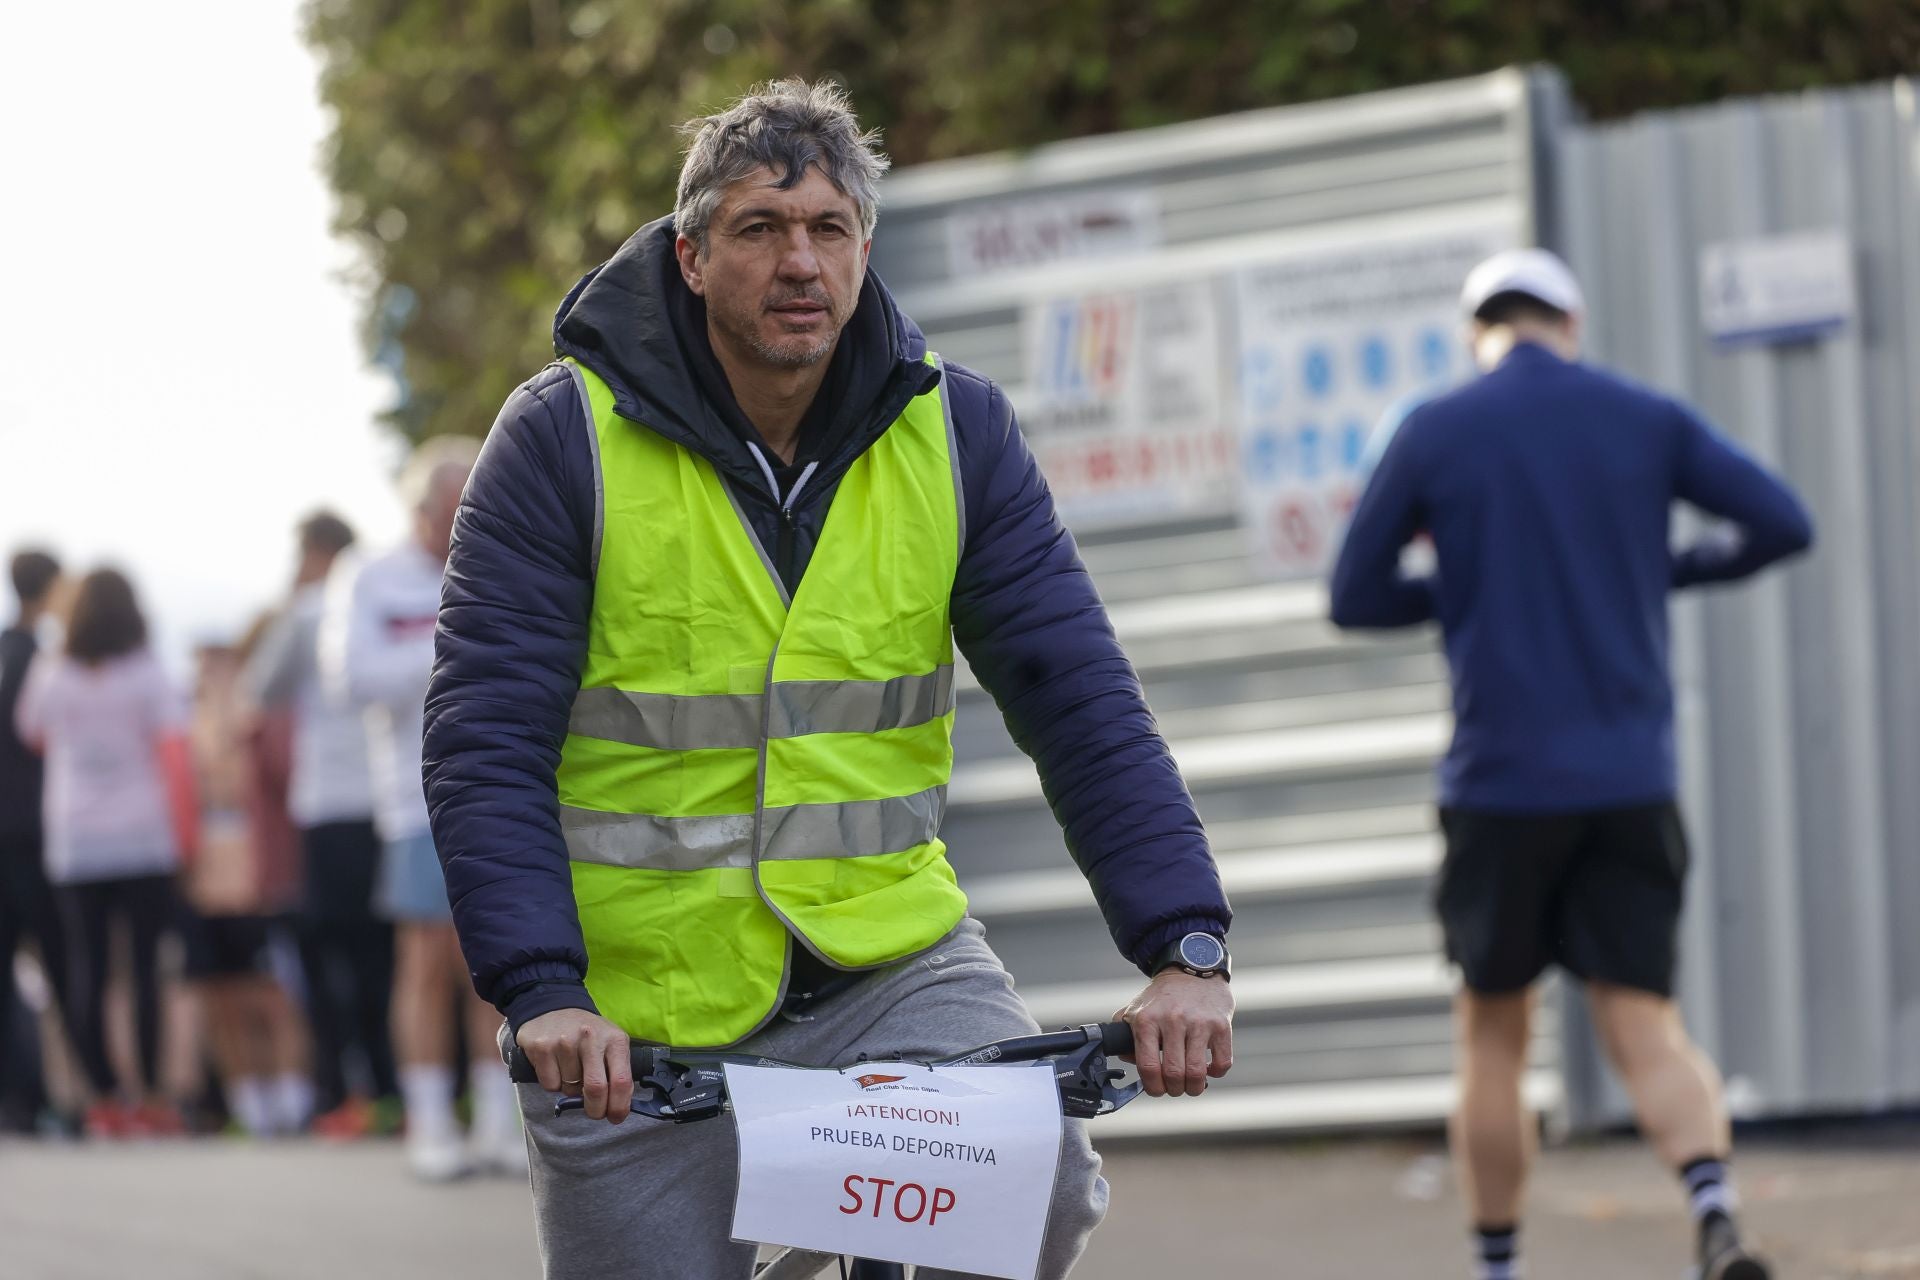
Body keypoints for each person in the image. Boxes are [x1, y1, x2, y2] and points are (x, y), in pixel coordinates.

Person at [423, 79, 1235, 1278]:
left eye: (828, 230)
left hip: (887, 965)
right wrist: (541, 988)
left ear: (864, 250)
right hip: (636, 1007)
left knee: (1036, 1185)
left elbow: (1079, 698)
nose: (799, 262)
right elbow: (484, 737)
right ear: (693, 256)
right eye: (760, 229)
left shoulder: (955, 431)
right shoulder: (561, 439)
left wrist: (1187, 944)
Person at [1329, 248, 1815, 1280]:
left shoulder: (1437, 429)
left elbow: (1355, 592)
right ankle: (1715, 1210)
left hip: (1499, 789)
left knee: (1494, 1037)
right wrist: (1669, 566)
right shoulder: (1644, 416)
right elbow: (1782, 521)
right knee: (1645, 1019)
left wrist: (1462, 589)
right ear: (1571, 321)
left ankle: (1500, 1263)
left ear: (1480, 332)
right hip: (1628, 779)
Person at [322, 438, 522, 1181]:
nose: (465, 515)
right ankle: (431, 1123)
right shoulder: (369, 574)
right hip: (414, 798)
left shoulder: (503, 555)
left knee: (496, 964)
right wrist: (455, 641)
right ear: (420, 509)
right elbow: (351, 678)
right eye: (453, 504)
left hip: (508, 793)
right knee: (425, 963)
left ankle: (497, 1126)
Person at [14, 567, 197, 1138]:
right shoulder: (146, 670)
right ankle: (151, 1095)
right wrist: (186, 835)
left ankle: (102, 1096)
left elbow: (33, 734)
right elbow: (173, 755)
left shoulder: (52, 670)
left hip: (75, 836)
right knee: (144, 969)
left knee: (87, 967)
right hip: (142, 834)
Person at [245, 511, 398, 1137]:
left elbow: (258, 687)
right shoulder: (381, 598)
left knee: (334, 959)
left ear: (313, 551)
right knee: (383, 956)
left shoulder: (311, 609)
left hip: (330, 804)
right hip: (385, 799)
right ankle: (393, 1090)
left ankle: (345, 1091)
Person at [182, 633, 312, 1137]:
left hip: (254, 881)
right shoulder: (183, 721)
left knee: (272, 997)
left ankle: (292, 1096)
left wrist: (227, 700)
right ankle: (249, 1103)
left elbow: (242, 777)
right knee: (222, 999)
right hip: (203, 885)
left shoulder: (255, 717)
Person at [0, 549, 73, 1132]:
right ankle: (70, 1099)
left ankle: (21, 1101)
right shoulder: (46, 662)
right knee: (65, 969)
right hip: (38, 835)